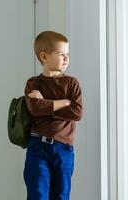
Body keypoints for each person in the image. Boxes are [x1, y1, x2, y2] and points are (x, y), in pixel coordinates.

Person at [24, 31, 83, 200]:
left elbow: (77, 112)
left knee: (61, 195)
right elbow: (35, 109)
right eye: (61, 54)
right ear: (44, 56)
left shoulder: (72, 83)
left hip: (64, 150)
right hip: (38, 147)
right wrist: (64, 102)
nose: (66, 58)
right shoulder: (33, 83)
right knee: (37, 194)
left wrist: (45, 103)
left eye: (68, 54)